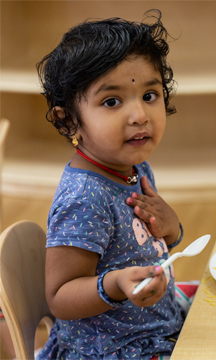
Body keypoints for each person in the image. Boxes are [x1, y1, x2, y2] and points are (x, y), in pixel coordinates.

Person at [36, 11, 198, 360]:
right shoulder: (85, 197)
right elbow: (60, 297)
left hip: (155, 325)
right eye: (112, 101)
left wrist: (171, 228)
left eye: (150, 95)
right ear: (68, 121)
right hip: (114, 349)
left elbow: (148, 241)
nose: (139, 114)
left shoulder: (134, 167)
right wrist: (116, 284)